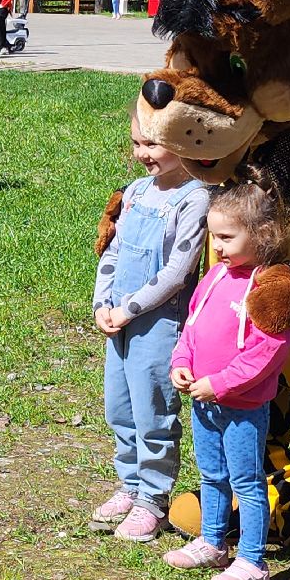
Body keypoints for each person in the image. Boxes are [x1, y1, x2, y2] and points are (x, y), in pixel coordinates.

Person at [164, 167, 290, 580]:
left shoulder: (267, 287)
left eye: (226, 238)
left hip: (241, 407)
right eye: (213, 236)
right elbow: (193, 328)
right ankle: (213, 541)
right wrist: (182, 362)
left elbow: (266, 353)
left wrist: (219, 384)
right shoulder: (215, 277)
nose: (215, 247)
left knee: (247, 482)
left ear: (263, 234)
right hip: (204, 400)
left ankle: (253, 561)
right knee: (211, 474)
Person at [91, 109, 210, 542]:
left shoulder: (195, 198)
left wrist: (129, 308)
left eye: (153, 145)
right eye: (137, 144)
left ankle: (153, 501)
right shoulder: (137, 193)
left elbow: (178, 271)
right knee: (119, 409)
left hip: (158, 325)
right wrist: (103, 302)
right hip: (119, 321)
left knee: (153, 411)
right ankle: (130, 484)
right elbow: (113, 251)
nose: (142, 154)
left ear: (184, 143)